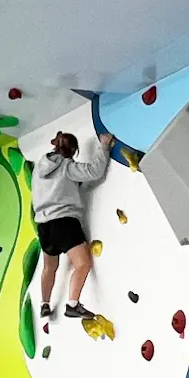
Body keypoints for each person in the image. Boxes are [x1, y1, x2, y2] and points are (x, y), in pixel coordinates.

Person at [32, 129, 115, 322]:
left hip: (44, 226)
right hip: (64, 222)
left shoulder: (39, 169)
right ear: (72, 150)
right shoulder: (68, 167)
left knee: (49, 268)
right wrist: (103, 146)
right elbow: (94, 171)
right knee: (83, 264)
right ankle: (73, 304)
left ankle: (45, 304)